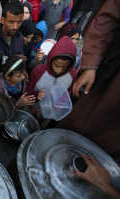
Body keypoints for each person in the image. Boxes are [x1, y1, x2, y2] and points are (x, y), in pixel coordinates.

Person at [56, 0, 120, 165]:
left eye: (77, 39)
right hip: (110, 74)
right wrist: (91, 65)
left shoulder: (71, 71)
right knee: (83, 120)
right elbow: (107, 19)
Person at [27, 36, 77, 118]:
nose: (60, 70)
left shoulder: (72, 73)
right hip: (35, 110)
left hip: (53, 113)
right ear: (50, 59)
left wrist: (61, 105)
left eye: (65, 67)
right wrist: (38, 95)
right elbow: (28, 92)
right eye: (56, 65)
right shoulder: (38, 70)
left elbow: (68, 91)